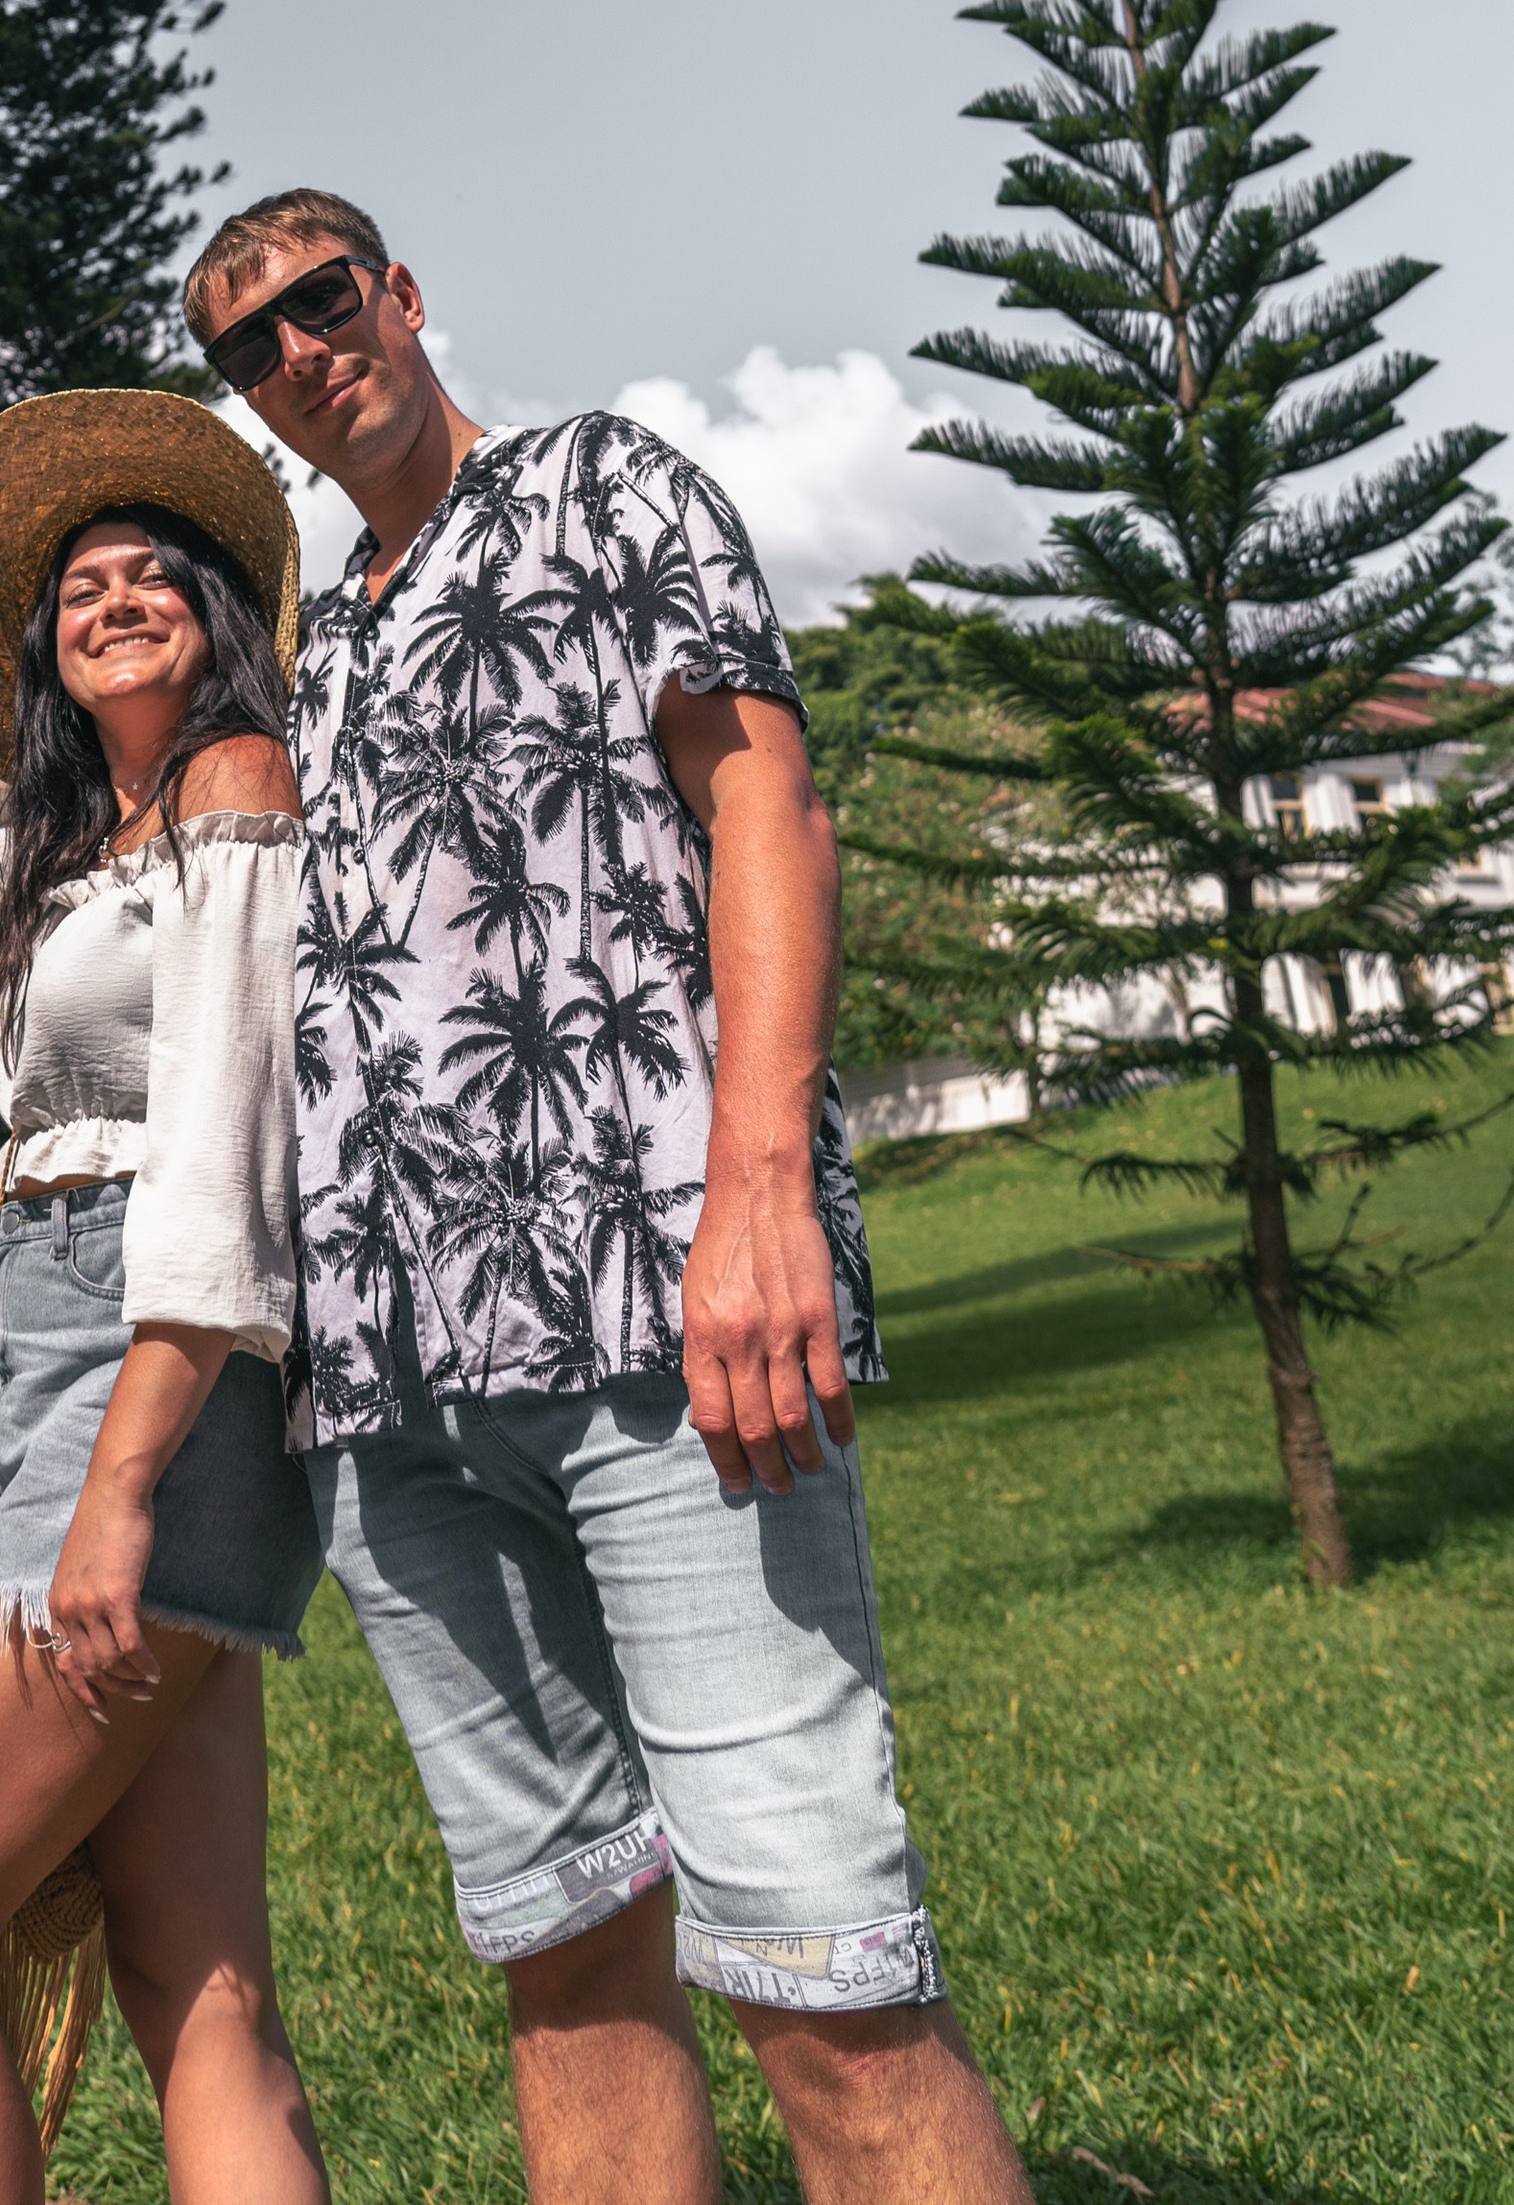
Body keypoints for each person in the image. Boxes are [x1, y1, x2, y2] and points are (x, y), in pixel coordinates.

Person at [187, 191, 1035, 2205]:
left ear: (395, 297)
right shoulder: (308, 652)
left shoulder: (599, 490)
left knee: (821, 1982)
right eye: (252, 346)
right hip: (391, 1404)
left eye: (325, 302)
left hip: (660, 1326)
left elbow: (766, 801)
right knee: (564, 1971)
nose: (305, 352)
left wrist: (758, 1200)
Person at [0, 387, 330, 2205]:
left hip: (161, 1361)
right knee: (203, 1991)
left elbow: (221, 1153)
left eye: (156, 572)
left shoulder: (237, 798)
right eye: (77, 587)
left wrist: (118, 1484)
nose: (114, 596)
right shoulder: (58, 851)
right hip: (70, 1350)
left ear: (224, 610)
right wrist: (20, 697)